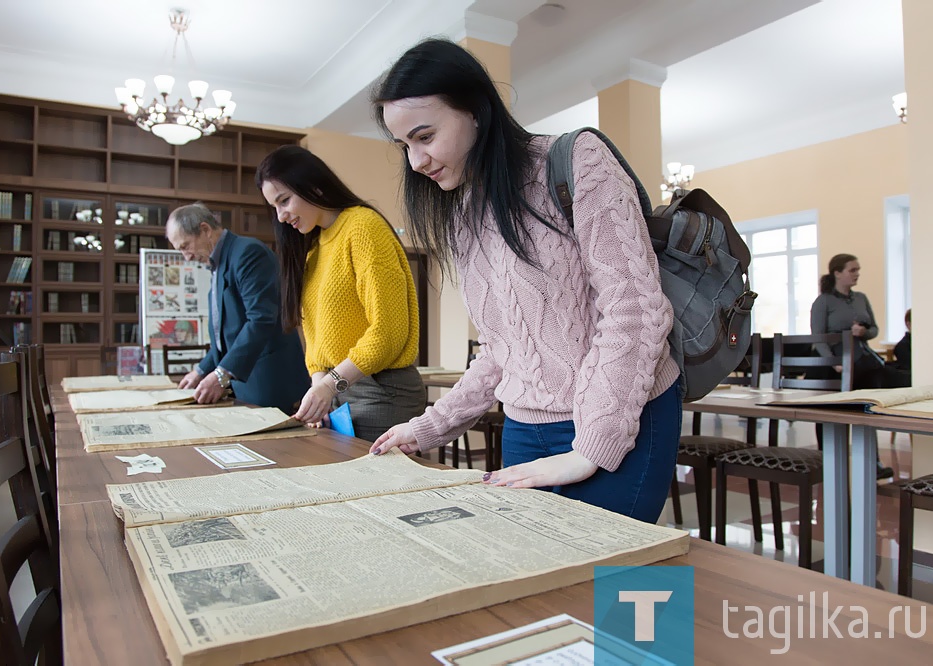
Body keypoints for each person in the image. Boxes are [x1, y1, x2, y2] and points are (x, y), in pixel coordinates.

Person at [368, 39, 682, 522]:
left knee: (614, 587)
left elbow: (634, 309)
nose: (416, 161)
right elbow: (501, 349)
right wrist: (430, 427)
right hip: (524, 426)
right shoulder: (463, 213)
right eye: (404, 145)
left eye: (425, 136)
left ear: (473, 109)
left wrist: (590, 449)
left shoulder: (576, 160)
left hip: (622, 418)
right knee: (536, 587)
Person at [255, 145, 426, 441]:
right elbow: (317, 342)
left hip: (380, 391)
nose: (281, 216)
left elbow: (388, 332)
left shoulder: (362, 227)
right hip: (339, 390)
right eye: (274, 208)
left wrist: (328, 386)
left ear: (313, 185)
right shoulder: (313, 250)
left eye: (284, 201)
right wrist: (319, 385)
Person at [165, 202, 310, 413]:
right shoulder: (218, 263)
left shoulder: (247, 254)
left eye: (185, 246)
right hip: (246, 384)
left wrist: (221, 375)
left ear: (205, 230)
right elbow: (226, 334)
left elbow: (261, 319)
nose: (186, 257)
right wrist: (201, 370)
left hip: (269, 383)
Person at [810, 253, 894, 479]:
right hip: (834, 365)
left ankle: (872, 463)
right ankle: (826, 462)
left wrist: (864, 332)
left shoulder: (861, 298)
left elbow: (875, 329)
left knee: (867, 411)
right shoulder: (824, 301)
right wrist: (834, 364)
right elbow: (818, 336)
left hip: (862, 363)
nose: (857, 274)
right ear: (837, 273)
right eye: (852, 270)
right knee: (829, 415)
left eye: (858, 270)